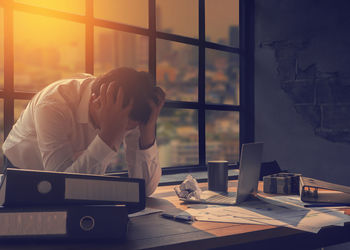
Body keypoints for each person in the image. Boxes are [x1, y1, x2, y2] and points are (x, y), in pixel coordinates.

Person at [2, 67, 165, 196]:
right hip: (21, 169)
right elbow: (62, 187)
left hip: (70, 173)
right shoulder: (53, 105)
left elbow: (145, 189)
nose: (124, 132)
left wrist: (147, 131)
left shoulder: (128, 108)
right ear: (97, 102)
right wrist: (109, 136)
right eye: (123, 127)